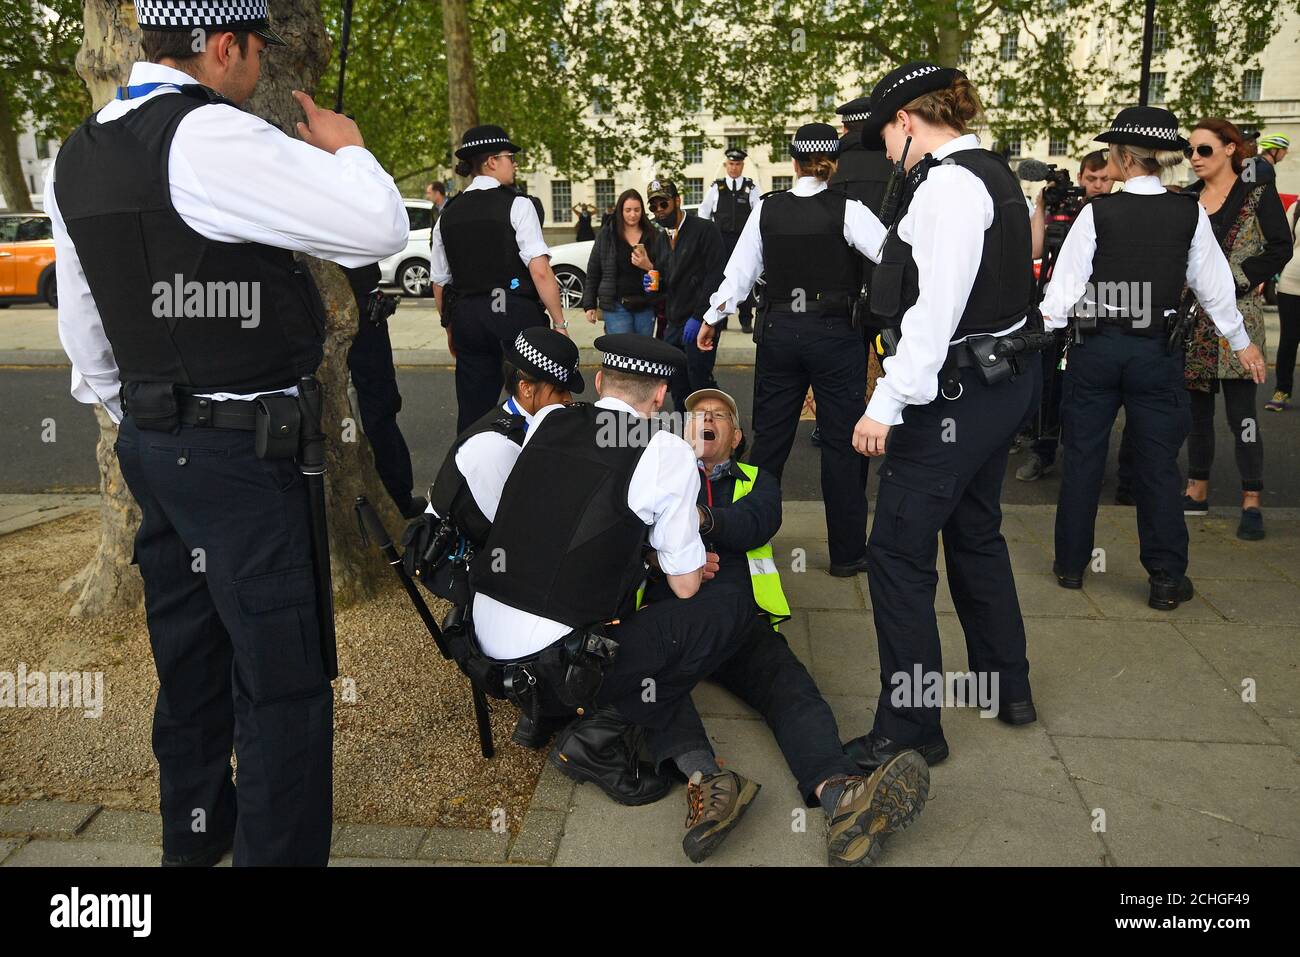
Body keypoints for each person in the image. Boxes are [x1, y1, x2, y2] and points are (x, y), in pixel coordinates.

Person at [47, 1, 409, 866]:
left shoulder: (81, 149)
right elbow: (381, 226)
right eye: (257, 50)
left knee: (191, 667)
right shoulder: (213, 137)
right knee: (282, 686)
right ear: (223, 46)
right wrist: (347, 145)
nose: (261, 69)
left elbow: (83, 329)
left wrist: (150, 415)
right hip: (244, 457)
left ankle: (196, 844)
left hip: (156, 445)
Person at [835, 62, 1040, 771]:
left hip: (952, 393)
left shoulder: (948, 184)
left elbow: (935, 307)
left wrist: (885, 402)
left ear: (907, 122)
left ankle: (911, 726)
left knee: (895, 552)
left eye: (885, 138)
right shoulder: (991, 171)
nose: (886, 154)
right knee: (976, 531)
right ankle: (1006, 686)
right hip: (997, 383)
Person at [636, 387, 929, 866]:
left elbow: (755, 523)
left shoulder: (757, 480)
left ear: (736, 437)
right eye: (696, 415)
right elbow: (627, 534)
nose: (706, 419)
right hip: (671, 620)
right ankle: (709, 786)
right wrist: (657, 553)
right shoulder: (655, 475)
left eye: (719, 416)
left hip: (739, 623)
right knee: (652, 687)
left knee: (793, 690)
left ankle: (843, 800)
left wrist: (692, 521)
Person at [1040, 107, 1265, 607]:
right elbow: (1215, 289)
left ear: (1122, 158)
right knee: (1158, 465)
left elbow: (1063, 293)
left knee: (1082, 458)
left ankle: (1071, 566)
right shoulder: (1189, 213)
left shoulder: (1097, 213)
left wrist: (1037, 335)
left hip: (1095, 348)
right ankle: (1164, 579)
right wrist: (1242, 342)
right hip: (1154, 352)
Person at [698, 123, 874, 578]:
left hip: (780, 332)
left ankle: (746, 540)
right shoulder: (848, 209)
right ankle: (847, 554)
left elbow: (738, 274)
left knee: (769, 443)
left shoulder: (766, 210)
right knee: (841, 445)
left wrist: (713, 318)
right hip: (835, 334)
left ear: (793, 162)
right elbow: (891, 255)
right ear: (833, 165)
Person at [1181, 119, 1292, 540]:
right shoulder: (1188, 200)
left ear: (1231, 149)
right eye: (1191, 150)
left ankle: (1251, 499)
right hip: (1194, 319)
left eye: (1204, 150)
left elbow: (1280, 246)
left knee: (1243, 414)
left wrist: (1243, 278)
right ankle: (1197, 490)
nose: (1194, 158)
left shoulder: (1257, 194)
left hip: (1240, 317)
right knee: (1197, 414)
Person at [430, 125, 569, 432]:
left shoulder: (448, 213)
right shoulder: (518, 204)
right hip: (514, 314)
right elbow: (540, 270)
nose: (514, 164)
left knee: (474, 411)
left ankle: (470, 470)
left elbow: (440, 281)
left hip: (468, 317)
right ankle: (529, 468)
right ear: (492, 161)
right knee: (532, 403)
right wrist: (559, 324)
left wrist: (449, 325)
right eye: (510, 157)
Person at [1018, 150, 1137, 492]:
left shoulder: (1115, 212)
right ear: (1082, 177)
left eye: (1104, 179)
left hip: (1096, 310)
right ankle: (1043, 451)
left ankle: (1081, 458)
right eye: (1091, 179)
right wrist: (1041, 206)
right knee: (1048, 385)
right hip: (1056, 307)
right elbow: (1035, 250)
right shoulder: (1059, 207)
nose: (1098, 185)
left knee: (1081, 390)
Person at [343, 263, 424, 518]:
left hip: (346, 304)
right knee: (378, 408)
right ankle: (396, 496)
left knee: (369, 410)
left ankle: (393, 495)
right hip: (358, 306)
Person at [647, 177, 726, 409]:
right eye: (653, 206)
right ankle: (686, 437)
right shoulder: (661, 239)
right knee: (678, 385)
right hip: (675, 323)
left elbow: (716, 276)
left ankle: (729, 435)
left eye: (663, 204)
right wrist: (653, 283)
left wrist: (700, 316)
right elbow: (667, 282)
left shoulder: (705, 230)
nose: (659, 211)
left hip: (701, 321)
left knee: (701, 383)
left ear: (677, 201)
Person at [581, 188, 669, 336]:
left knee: (643, 353)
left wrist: (648, 266)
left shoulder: (653, 235)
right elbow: (593, 271)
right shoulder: (608, 234)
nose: (633, 214)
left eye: (637, 210)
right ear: (620, 210)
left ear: (642, 210)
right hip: (615, 305)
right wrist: (589, 304)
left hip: (646, 305)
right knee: (622, 353)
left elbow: (666, 271)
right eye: (628, 210)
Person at [699, 148, 758, 332]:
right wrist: (707, 234)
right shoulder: (717, 187)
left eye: (738, 164)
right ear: (726, 165)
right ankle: (720, 320)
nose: (734, 168)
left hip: (742, 241)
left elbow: (757, 212)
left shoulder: (751, 187)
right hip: (720, 240)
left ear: (742, 165)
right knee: (720, 279)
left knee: (745, 279)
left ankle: (746, 319)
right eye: (731, 164)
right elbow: (703, 211)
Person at [1266, 200, 1300, 412]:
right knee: (1289, 338)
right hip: (1291, 283)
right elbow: (1283, 242)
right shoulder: (1296, 208)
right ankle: (1282, 390)